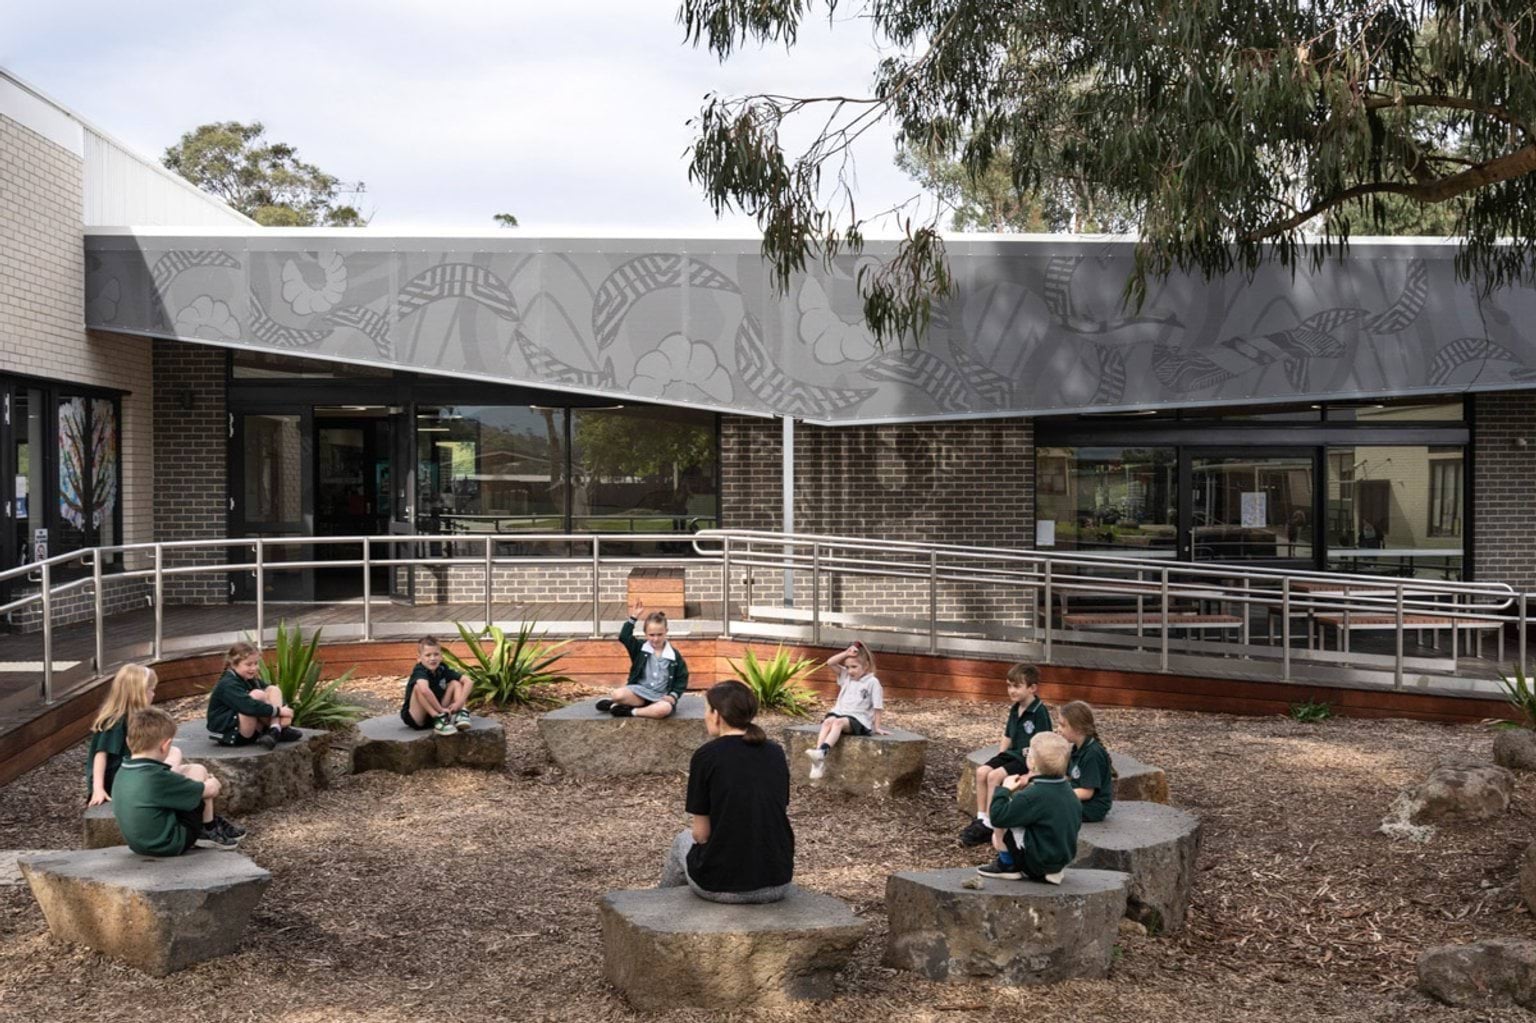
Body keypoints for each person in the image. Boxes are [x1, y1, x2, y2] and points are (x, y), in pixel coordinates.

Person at [658, 680, 794, 903]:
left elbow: (701, 835)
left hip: (722, 885)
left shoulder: (707, 756)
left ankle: (659, 907)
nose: (705, 716)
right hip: (778, 880)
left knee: (682, 841)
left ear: (717, 714)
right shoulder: (775, 752)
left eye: (706, 710)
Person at [113, 707, 244, 853]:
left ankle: (209, 824)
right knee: (200, 777)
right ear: (165, 746)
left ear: (128, 741)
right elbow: (210, 790)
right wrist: (213, 781)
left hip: (140, 844)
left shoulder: (123, 769)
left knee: (195, 769)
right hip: (169, 843)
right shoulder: (156, 778)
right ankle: (207, 827)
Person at [960, 663, 1051, 846]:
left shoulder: (1039, 712)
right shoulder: (1015, 708)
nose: (1011, 691)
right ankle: (981, 818)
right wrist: (1000, 757)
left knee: (994, 776)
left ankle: (993, 822)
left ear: (1032, 688)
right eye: (1009, 685)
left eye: (1017, 686)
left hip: (1026, 759)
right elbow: (1007, 735)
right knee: (982, 772)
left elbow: (1044, 742)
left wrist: (1033, 772)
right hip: (1011, 755)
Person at [977, 731, 1080, 883]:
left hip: (1037, 864)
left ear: (1032, 763)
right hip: (1060, 859)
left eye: (1028, 753)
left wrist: (1003, 791)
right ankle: (1051, 870)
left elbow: (998, 817)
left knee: (1001, 823)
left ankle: (1007, 865)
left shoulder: (1032, 795)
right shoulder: (1068, 791)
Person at [87, 663, 181, 806]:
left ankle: (162, 781)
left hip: (132, 773)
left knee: (175, 754)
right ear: (139, 692)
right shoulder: (115, 721)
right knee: (174, 754)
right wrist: (98, 789)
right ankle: (161, 784)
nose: (154, 694)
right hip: (120, 780)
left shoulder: (136, 717)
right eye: (151, 690)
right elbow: (100, 755)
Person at [805, 640, 885, 781]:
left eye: (854, 667)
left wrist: (877, 727)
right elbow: (830, 662)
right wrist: (846, 653)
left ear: (866, 666)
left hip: (858, 719)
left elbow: (878, 706)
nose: (850, 671)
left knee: (838, 723)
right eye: (847, 667)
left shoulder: (872, 682)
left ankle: (822, 752)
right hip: (840, 712)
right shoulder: (846, 676)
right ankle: (818, 759)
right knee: (828, 722)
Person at [596, 600, 688, 718]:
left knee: (664, 709)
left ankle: (629, 711)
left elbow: (682, 678)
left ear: (666, 632)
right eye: (651, 635)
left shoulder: (673, 655)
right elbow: (624, 637)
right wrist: (634, 617)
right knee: (617, 694)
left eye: (659, 634)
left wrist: (673, 696)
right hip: (639, 694)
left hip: (660, 697)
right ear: (645, 633)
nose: (655, 639)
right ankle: (615, 702)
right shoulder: (639, 648)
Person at [206, 641, 300, 750]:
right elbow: (248, 706)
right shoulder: (228, 683)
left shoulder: (248, 678)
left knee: (273, 689)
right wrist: (279, 711)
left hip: (251, 726)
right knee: (257, 695)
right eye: (249, 664)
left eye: (256, 663)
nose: (254, 668)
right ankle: (278, 728)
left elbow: (272, 696)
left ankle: (275, 729)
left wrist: (283, 708)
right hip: (235, 733)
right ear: (233, 664)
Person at [402, 635, 473, 735]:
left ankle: (460, 714)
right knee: (419, 688)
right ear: (419, 658)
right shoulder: (420, 670)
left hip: (440, 710)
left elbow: (468, 682)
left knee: (455, 683)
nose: (432, 658)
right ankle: (438, 718)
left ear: (441, 656)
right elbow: (425, 691)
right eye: (428, 655)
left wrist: (459, 704)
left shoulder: (443, 668)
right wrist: (440, 710)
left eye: (436, 654)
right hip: (417, 717)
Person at [1058, 700, 1114, 823]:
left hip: (1091, 808)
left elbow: (1087, 792)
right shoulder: (1076, 748)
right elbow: (1067, 777)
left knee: (1048, 809)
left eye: (1063, 725)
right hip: (1076, 799)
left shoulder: (1092, 754)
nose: (1059, 729)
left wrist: (1058, 795)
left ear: (1077, 728)